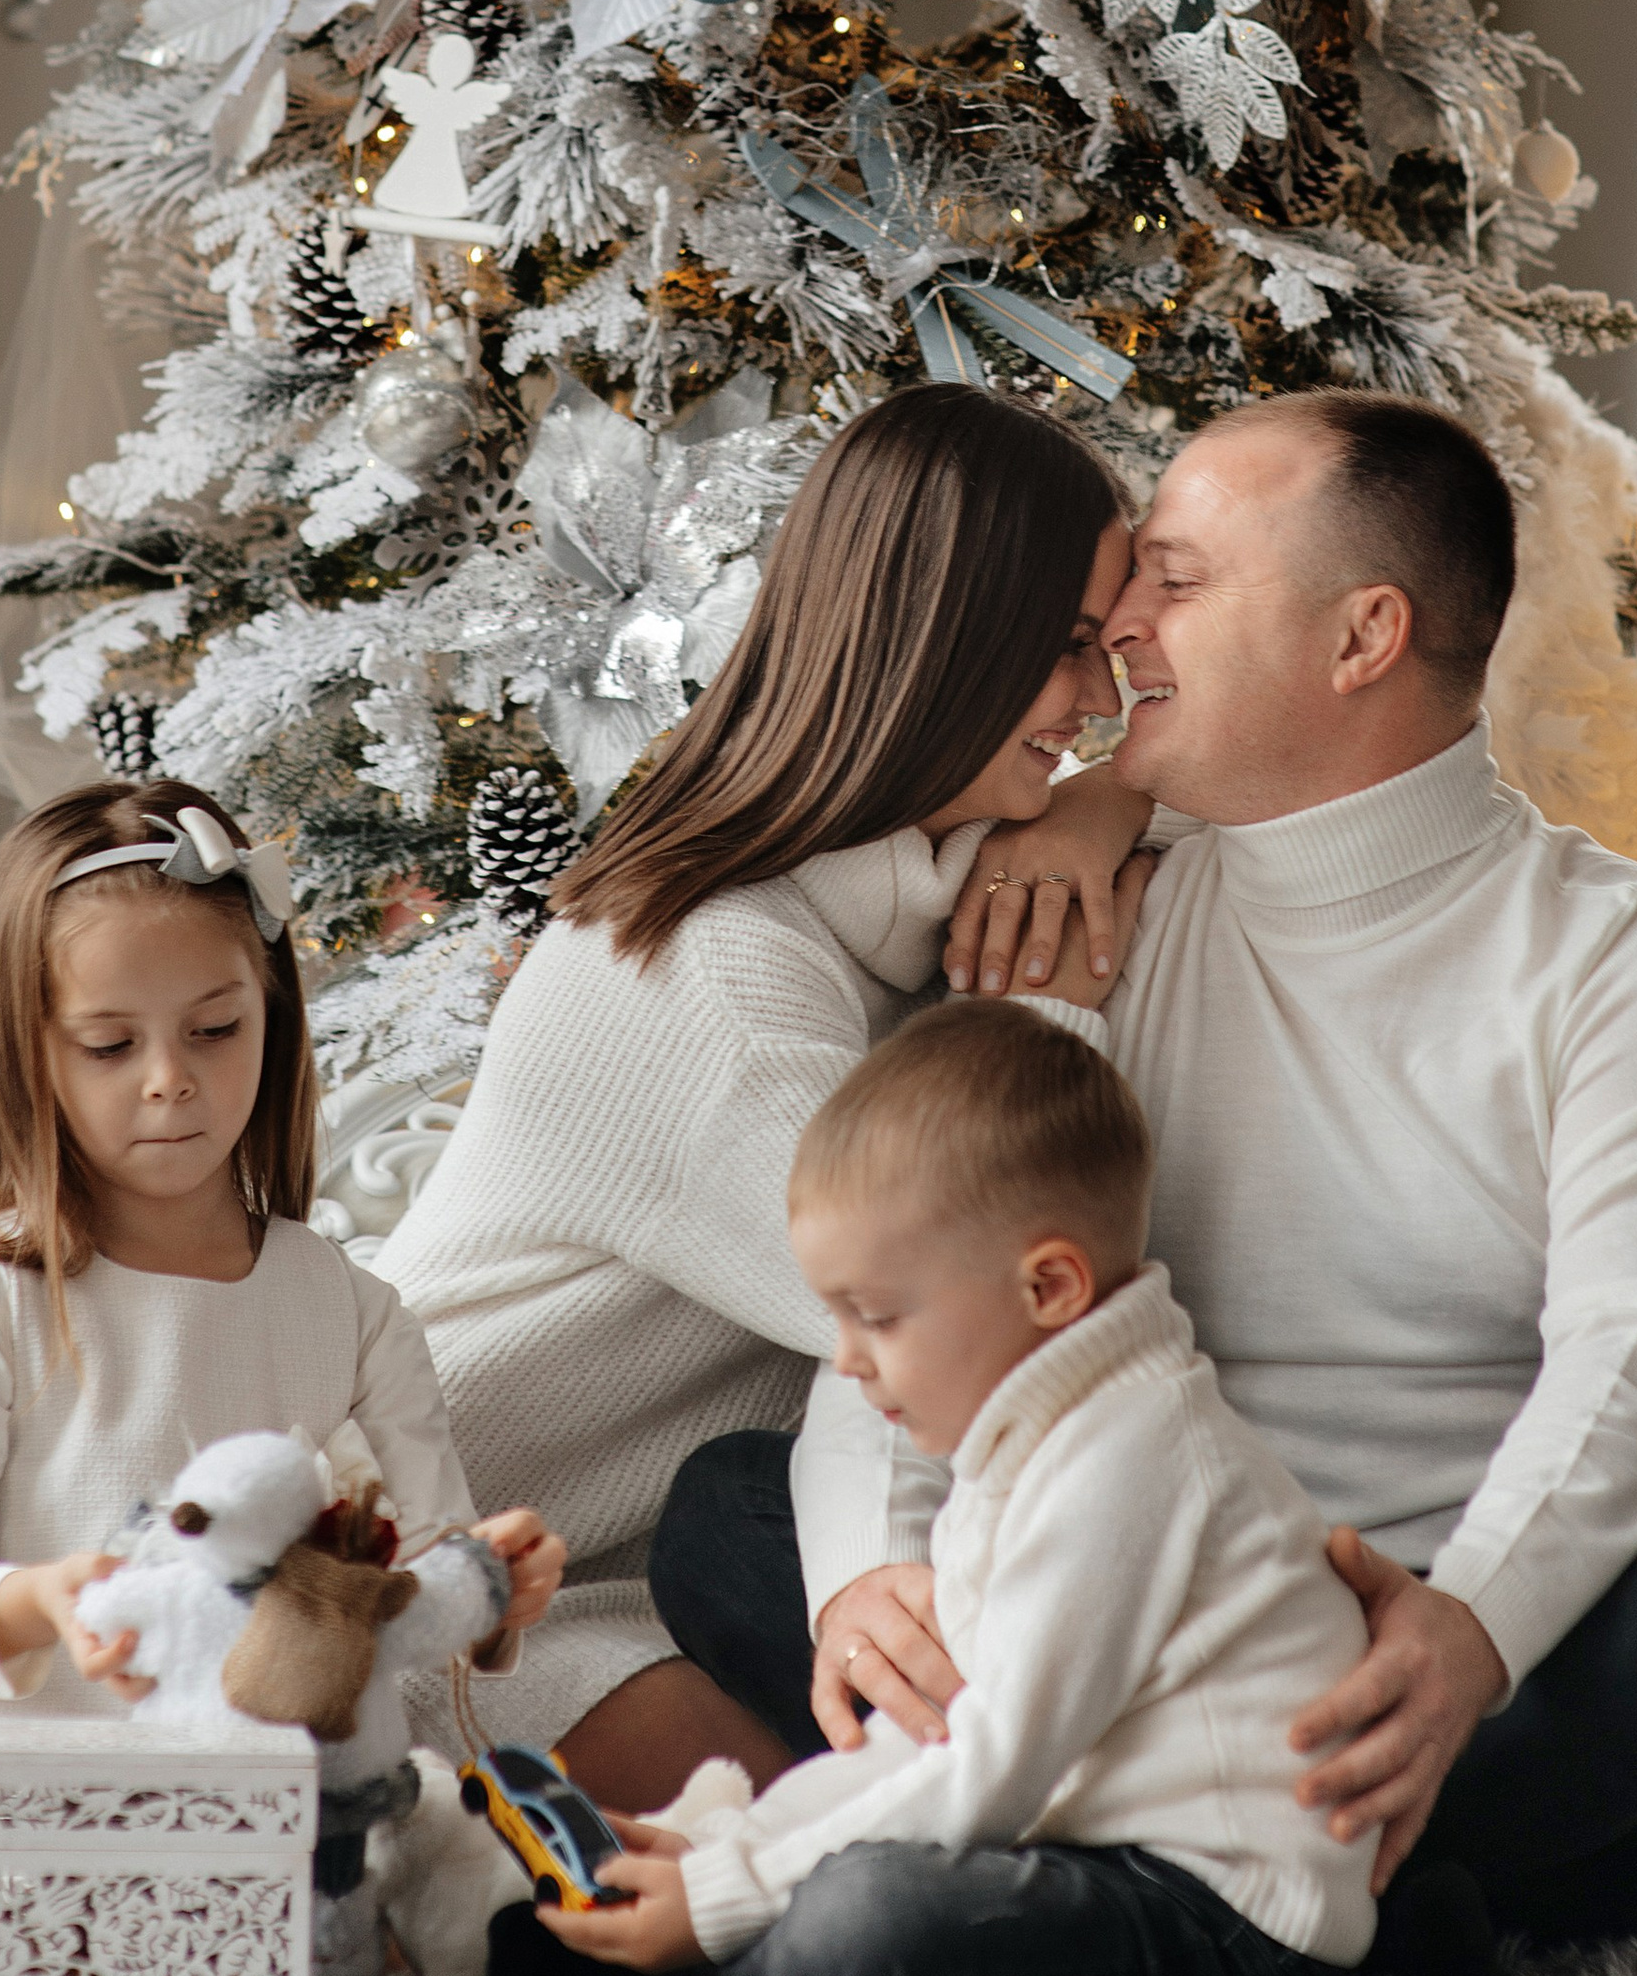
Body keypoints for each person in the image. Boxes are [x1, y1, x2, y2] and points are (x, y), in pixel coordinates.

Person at [654, 393, 1637, 1970]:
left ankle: (1212, 1872)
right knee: (739, 1513)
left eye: (1175, 580)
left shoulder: (1632, 961)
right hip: (1150, 1629)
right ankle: (1339, 1900)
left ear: (1364, 634)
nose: (1116, 628)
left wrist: (1468, 1632)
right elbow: (935, 1261)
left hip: (1481, 1663)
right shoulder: (1097, 913)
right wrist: (876, 1572)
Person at [376, 383, 1134, 1809]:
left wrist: (1115, 796)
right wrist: (1043, 987)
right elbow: (995, 1314)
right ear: (944, 638)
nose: (1100, 702)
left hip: (632, 1568)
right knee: (871, 1823)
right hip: (430, 1612)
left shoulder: (897, 901)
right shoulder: (707, 981)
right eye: (1068, 647)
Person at [488, 1001, 1374, 1976]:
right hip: (1091, 1849)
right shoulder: (1029, 1441)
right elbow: (923, 1734)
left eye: (878, 1317)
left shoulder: (1131, 1461)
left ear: (1048, 1287)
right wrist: (734, 1851)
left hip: (1230, 1929)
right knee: (857, 1898)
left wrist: (726, 1903)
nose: (847, 1361)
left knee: (868, 1915)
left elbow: (990, 1767)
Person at [0, 779, 562, 1723]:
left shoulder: (347, 1308)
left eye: (215, 1030)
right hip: (15, 1787)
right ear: (30, 1051)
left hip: (258, 1792)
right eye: (110, 1044)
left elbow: (431, 1579)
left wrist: (495, 1588)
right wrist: (38, 1599)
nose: (170, 1079)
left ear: (271, 1014)